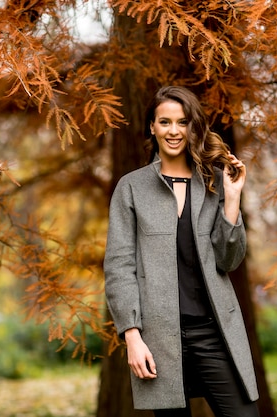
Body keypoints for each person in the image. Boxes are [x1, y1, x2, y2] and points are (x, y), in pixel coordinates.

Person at [103, 86, 260, 417]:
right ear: (152, 127)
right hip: (158, 339)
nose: (174, 131)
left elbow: (228, 260)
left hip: (214, 333)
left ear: (193, 127)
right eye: (165, 122)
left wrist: (232, 199)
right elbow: (119, 268)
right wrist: (132, 336)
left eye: (182, 122)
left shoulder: (216, 183)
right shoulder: (131, 188)